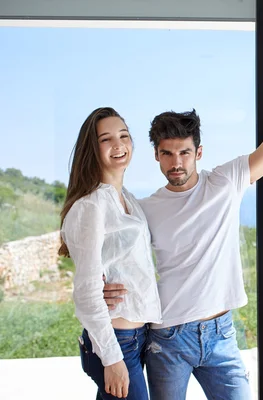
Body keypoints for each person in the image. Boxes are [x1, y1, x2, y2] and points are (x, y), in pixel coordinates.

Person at [102, 63, 263, 399]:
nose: (177, 163)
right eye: (167, 154)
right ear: (156, 156)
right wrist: (101, 284)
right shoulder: (144, 208)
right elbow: (111, 250)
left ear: (198, 153)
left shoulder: (224, 183)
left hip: (221, 334)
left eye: (185, 152)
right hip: (168, 338)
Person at [59, 107, 162, 399]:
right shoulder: (91, 206)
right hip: (115, 343)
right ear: (92, 148)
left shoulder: (127, 198)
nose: (118, 144)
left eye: (124, 135)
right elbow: (86, 290)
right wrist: (112, 359)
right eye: (106, 139)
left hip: (137, 338)